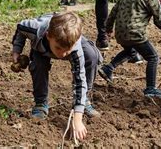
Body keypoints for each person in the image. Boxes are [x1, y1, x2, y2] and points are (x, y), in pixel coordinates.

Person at [11, 11, 103, 141]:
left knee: (91, 56)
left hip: (70, 42)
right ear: (49, 36)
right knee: (38, 64)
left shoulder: (75, 49)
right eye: (59, 48)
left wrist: (77, 118)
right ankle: (40, 103)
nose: (64, 54)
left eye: (67, 50)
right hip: (42, 47)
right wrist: (16, 51)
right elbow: (20, 28)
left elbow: (79, 80)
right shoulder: (33, 28)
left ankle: (84, 100)